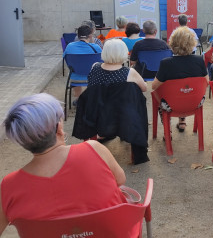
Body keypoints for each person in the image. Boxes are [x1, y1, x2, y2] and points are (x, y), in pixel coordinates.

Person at [0, 93, 128, 234]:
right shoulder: (94, 149)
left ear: (22, 141)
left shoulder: (9, 186)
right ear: (59, 128)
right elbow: (120, 179)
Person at [152, 27, 208, 132]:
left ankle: (167, 130)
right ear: (192, 44)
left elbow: (154, 86)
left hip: (170, 105)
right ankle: (182, 121)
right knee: (186, 90)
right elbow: (207, 82)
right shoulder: (199, 60)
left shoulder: (166, 63)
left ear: (172, 43)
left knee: (162, 98)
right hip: (194, 102)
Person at [63, 25, 102, 105]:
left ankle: (79, 99)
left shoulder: (69, 47)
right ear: (90, 36)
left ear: (78, 35)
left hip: (75, 78)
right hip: (94, 78)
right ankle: (92, 100)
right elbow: (101, 63)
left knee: (75, 72)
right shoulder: (96, 47)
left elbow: (67, 62)